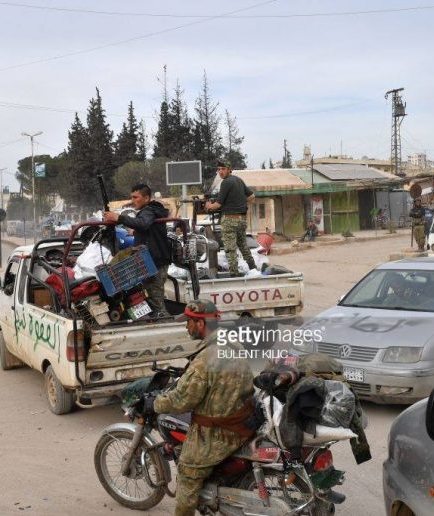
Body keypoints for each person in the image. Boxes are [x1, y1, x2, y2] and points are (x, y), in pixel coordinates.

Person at [150, 300, 255, 516]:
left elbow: (182, 401)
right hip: (243, 420)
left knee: (187, 474)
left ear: (200, 324)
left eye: (188, 322)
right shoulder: (233, 344)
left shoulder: (204, 359)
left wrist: (156, 403)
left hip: (218, 433)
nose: (186, 326)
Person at [103, 183, 171, 317]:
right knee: (151, 295)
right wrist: (136, 232)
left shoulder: (149, 210)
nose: (132, 201)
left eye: (135, 197)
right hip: (153, 260)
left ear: (146, 198)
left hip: (155, 262)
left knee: (155, 299)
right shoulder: (152, 210)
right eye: (131, 197)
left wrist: (118, 218)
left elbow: (144, 223)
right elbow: (148, 228)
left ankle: (165, 323)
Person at [205, 162, 259, 277]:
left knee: (230, 249)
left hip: (229, 220)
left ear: (229, 169)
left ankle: (234, 274)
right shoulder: (239, 180)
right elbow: (252, 196)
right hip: (242, 220)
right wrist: (240, 203)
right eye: (218, 169)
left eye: (223, 169)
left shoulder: (225, 182)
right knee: (243, 246)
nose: (220, 171)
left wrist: (209, 206)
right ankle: (253, 268)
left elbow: (218, 204)